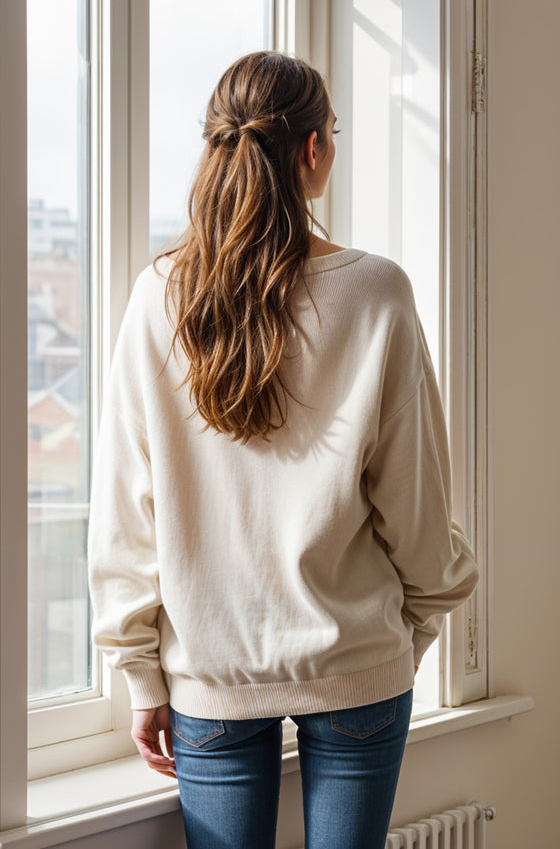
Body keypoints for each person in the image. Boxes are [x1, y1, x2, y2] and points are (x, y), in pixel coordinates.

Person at [88, 52, 479, 849]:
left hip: (209, 674)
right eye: (332, 133)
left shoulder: (158, 294)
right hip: (359, 660)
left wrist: (140, 674)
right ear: (311, 151)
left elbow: (127, 501)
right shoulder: (375, 292)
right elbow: (415, 493)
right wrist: (422, 620)